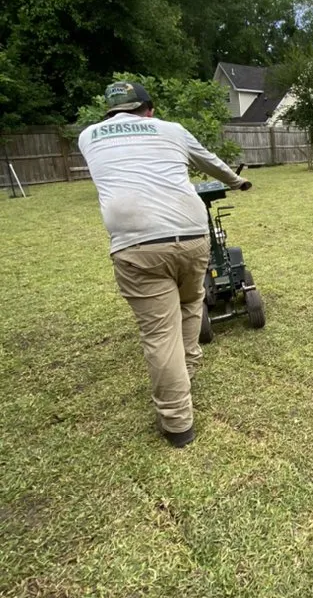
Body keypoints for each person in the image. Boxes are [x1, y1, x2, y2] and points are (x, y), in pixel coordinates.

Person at [78, 81, 250, 447]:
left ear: (109, 112)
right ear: (150, 109)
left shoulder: (88, 137)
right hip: (191, 237)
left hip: (136, 246)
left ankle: (177, 425)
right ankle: (185, 370)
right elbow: (209, 161)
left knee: (159, 333)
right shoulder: (171, 130)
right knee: (190, 302)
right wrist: (237, 181)